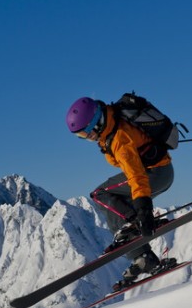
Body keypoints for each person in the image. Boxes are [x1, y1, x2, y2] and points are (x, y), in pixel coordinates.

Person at [66, 96, 175, 288]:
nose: (86, 138)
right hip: (160, 172)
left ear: (95, 123)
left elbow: (136, 175)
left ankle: (134, 231)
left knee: (100, 194)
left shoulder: (118, 139)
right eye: (80, 136)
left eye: (84, 133)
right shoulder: (112, 123)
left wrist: (143, 210)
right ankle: (142, 256)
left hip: (154, 175)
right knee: (116, 203)